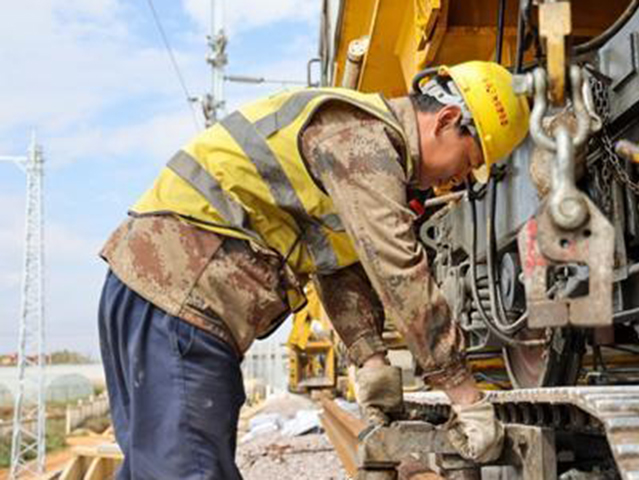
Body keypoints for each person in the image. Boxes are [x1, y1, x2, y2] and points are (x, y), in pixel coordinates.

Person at [97, 60, 530, 479]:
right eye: (468, 160)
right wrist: (464, 393)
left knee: (155, 466)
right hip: (180, 297)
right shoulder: (364, 138)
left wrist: (371, 358)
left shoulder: (355, 140)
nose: (454, 181)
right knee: (189, 470)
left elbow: (334, 263)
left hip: (155, 293)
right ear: (446, 120)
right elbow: (396, 264)